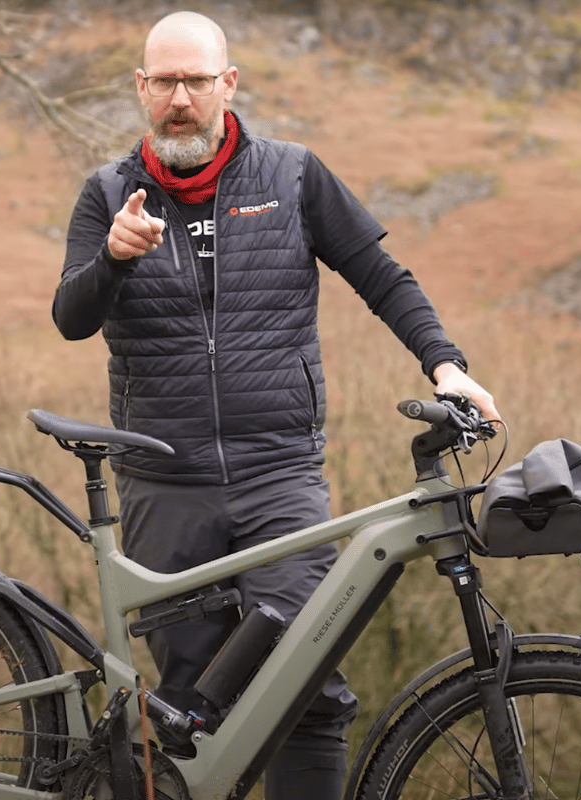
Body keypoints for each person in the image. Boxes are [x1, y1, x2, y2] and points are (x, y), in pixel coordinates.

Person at [52, 10, 500, 799]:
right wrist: (112, 260)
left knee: (306, 685)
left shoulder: (293, 175)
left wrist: (446, 366)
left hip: (280, 480)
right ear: (141, 89)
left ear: (229, 83)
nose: (180, 97)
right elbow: (71, 319)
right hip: (163, 486)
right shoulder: (108, 194)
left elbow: (381, 275)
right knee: (188, 705)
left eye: (196, 79)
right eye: (164, 82)